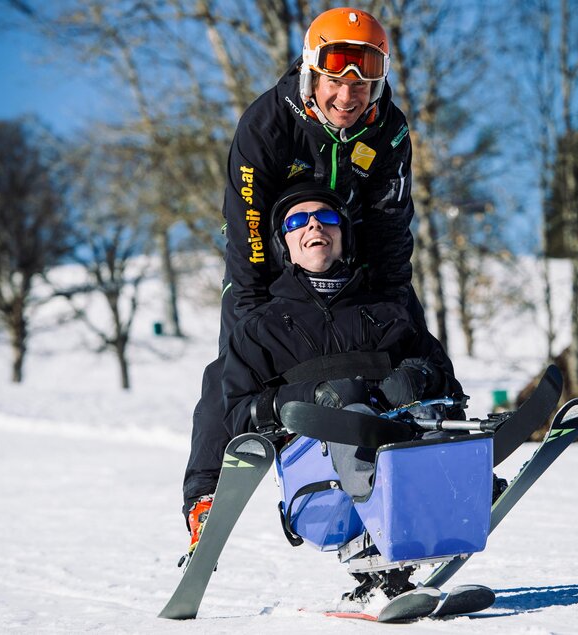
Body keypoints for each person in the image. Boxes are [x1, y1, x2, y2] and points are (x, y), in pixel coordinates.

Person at [187, 5, 423, 518]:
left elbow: (390, 225)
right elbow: (247, 224)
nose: (347, 96)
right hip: (269, 256)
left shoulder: (389, 130)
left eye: (361, 85)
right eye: (336, 81)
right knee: (231, 368)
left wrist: (392, 303)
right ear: (313, 73)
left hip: (348, 248)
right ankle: (205, 495)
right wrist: (251, 309)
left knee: (409, 333)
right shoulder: (268, 124)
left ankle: (437, 437)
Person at [182, 180, 464, 563]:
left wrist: (418, 377)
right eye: (298, 220)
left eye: (327, 217)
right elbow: (232, 412)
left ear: (343, 236)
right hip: (316, 486)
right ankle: (391, 540)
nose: (315, 225)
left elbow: (446, 380)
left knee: (419, 411)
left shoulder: (387, 312)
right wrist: (309, 397)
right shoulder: (260, 328)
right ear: (284, 242)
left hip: (401, 455)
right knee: (352, 417)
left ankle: (457, 499)